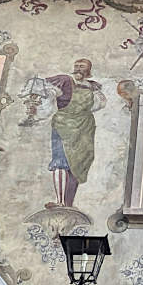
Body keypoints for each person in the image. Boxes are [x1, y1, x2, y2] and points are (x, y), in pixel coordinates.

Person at [44, 59, 105, 209]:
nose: (78, 69)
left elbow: (100, 103)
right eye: (76, 66)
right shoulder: (65, 81)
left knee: (77, 165)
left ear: (88, 69)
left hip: (84, 127)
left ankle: (69, 204)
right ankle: (59, 201)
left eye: (82, 66)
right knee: (60, 161)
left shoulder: (93, 87)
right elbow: (51, 93)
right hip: (63, 124)